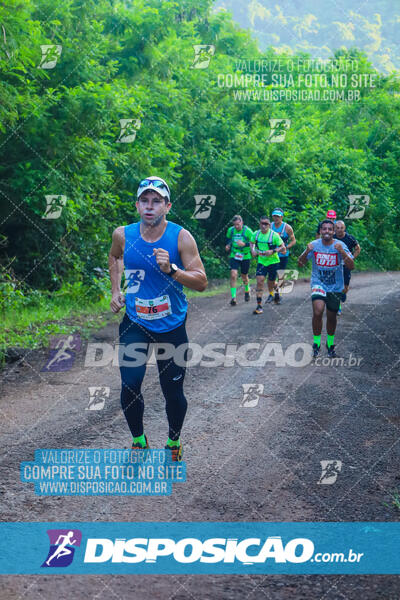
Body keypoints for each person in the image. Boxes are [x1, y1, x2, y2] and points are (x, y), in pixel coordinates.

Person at [109, 176, 207, 461]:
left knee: (172, 391)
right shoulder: (123, 234)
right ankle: (139, 441)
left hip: (171, 325)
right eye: (144, 201)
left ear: (167, 206)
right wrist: (116, 291)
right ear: (137, 205)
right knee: (130, 385)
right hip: (136, 320)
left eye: (156, 201)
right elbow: (114, 258)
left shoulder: (181, 237)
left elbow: (201, 282)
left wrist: (172, 269)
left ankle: (173, 442)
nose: (149, 206)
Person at [298, 219, 354, 358]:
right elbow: (300, 263)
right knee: (318, 311)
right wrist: (306, 252)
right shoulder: (314, 245)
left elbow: (351, 266)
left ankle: (330, 344)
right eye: (324, 229)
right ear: (320, 231)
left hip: (335, 286)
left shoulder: (340, 245)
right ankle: (316, 343)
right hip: (318, 284)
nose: (327, 232)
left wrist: (343, 253)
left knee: (331, 316)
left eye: (330, 229)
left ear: (334, 231)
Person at [250, 216, 285, 314]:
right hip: (261, 262)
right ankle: (259, 306)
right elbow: (251, 242)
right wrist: (252, 251)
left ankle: (275, 292)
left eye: (266, 224)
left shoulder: (274, 235)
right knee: (260, 281)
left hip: (273, 262)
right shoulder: (256, 234)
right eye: (262, 223)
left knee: (271, 282)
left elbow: (282, 247)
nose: (264, 226)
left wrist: (273, 251)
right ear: (259, 224)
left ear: (269, 225)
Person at [334, 220, 361, 313]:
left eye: (341, 228)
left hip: (346, 265)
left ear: (344, 228)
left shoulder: (350, 238)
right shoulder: (331, 237)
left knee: (345, 288)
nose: (339, 230)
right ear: (335, 228)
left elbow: (358, 248)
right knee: (335, 285)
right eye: (337, 228)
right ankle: (337, 306)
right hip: (334, 265)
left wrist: (352, 258)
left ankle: (343, 293)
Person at [225, 215, 253, 305]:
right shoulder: (231, 230)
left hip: (245, 256)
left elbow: (254, 243)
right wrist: (228, 245)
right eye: (235, 225)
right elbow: (229, 239)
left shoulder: (248, 231)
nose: (236, 227)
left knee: (244, 276)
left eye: (238, 224)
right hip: (234, 254)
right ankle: (233, 298)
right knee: (233, 274)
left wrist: (244, 244)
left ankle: (247, 290)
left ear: (242, 222)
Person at [270, 208, 296, 304]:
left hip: (283, 255)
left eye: (278, 216)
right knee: (272, 276)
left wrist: (286, 247)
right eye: (274, 216)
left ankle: (278, 294)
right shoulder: (270, 226)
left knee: (280, 275)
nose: (276, 218)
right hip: (272, 254)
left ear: (282, 217)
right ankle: (274, 291)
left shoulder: (287, 228)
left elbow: (294, 240)